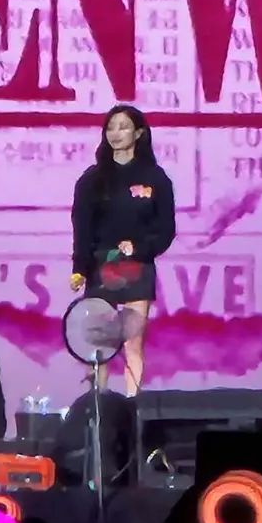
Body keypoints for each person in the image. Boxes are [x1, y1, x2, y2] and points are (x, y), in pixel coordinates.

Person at [70, 105, 176, 395]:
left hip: (137, 267)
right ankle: (96, 406)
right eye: (110, 127)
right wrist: (80, 268)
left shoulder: (156, 179)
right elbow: (82, 227)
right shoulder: (92, 180)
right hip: (100, 266)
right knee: (100, 343)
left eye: (123, 127)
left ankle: (133, 406)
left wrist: (140, 248)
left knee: (132, 342)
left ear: (139, 133)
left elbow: (166, 230)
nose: (115, 133)